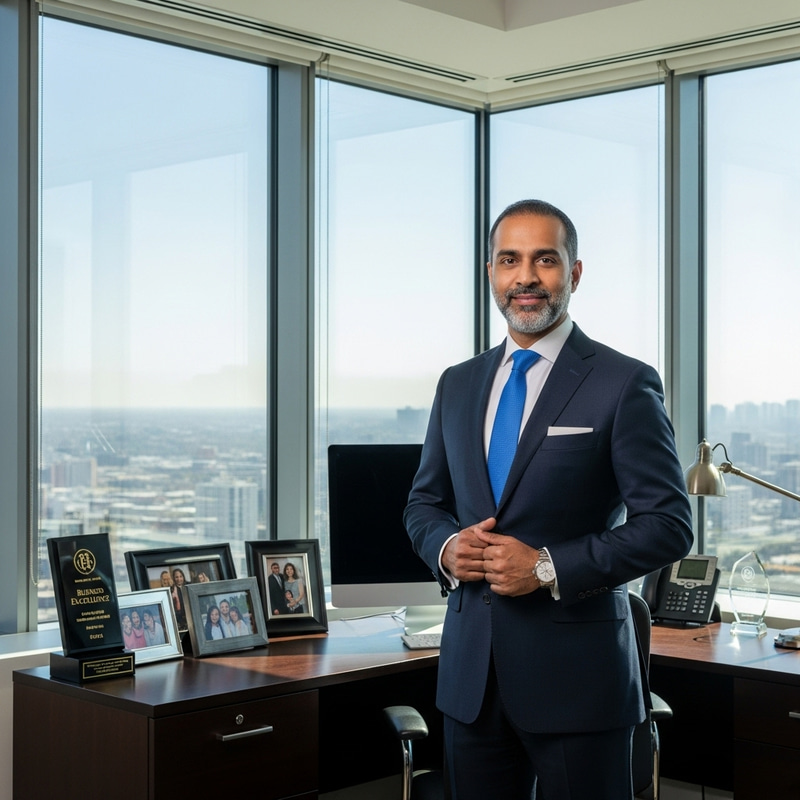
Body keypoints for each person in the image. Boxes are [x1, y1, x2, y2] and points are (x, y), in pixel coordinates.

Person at [404, 199, 693, 800]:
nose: (526, 277)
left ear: (575, 273)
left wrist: (544, 567)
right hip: (469, 682)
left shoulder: (623, 382)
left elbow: (667, 524)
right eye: (509, 260)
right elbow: (424, 504)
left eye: (546, 260)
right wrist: (447, 548)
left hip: (579, 682)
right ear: (491, 272)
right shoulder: (457, 383)